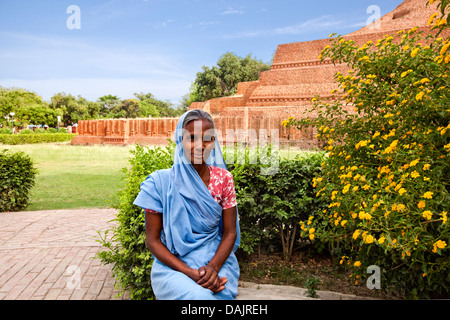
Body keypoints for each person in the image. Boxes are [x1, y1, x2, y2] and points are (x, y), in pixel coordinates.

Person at [133, 109, 240, 300]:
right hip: (173, 266)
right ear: (179, 141)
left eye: (206, 138)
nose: (199, 146)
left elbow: (230, 232)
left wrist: (213, 268)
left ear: (214, 143)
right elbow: (153, 241)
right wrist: (190, 273)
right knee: (200, 298)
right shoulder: (160, 183)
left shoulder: (224, 179)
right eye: (191, 138)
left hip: (216, 259)